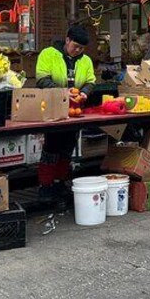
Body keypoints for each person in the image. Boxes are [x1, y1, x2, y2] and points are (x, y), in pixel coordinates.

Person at [35, 24, 96, 202]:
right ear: (67, 40)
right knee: (51, 147)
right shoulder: (49, 54)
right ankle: (45, 186)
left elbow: (91, 81)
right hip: (53, 109)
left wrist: (85, 91)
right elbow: (42, 79)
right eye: (75, 46)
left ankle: (61, 183)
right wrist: (62, 92)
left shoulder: (86, 61)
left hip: (75, 110)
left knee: (68, 147)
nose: (78, 50)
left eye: (81, 48)